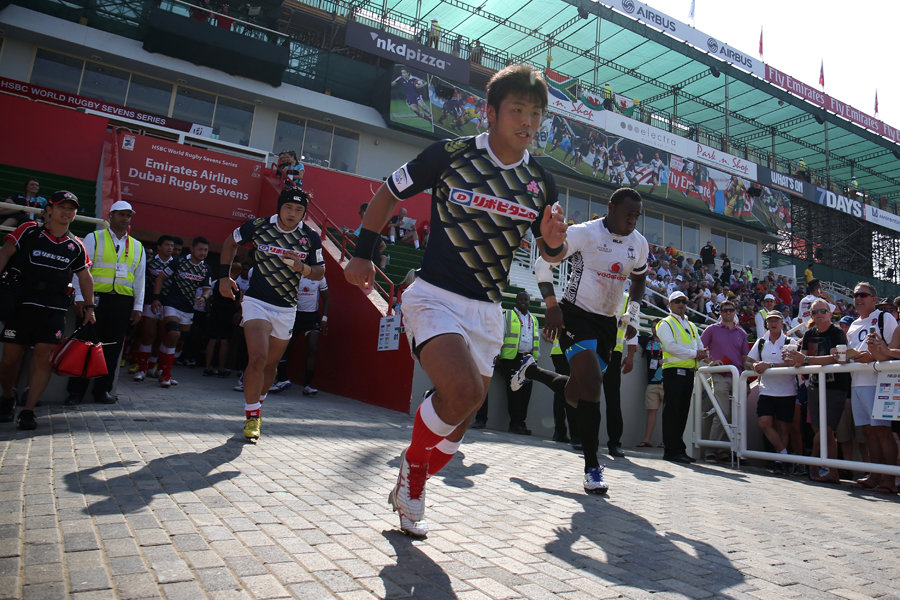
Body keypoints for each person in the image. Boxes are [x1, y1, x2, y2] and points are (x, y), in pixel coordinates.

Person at [345, 65, 566, 538]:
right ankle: (413, 473)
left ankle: (415, 471)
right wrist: (362, 255)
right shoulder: (449, 154)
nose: (528, 121)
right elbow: (387, 193)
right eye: (518, 110)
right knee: (464, 394)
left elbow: (549, 253)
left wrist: (550, 242)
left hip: (489, 312)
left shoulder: (541, 183)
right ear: (491, 113)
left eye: (536, 114)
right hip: (434, 297)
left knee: (459, 421)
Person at [536, 187, 649, 493]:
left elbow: (638, 280)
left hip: (607, 323)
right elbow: (543, 263)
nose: (632, 220)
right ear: (610, 207)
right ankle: (591, 467)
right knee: (594, 386)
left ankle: (532, 372)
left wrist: (633, 318)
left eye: (637, 215)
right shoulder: (584, 234)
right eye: (628, 213)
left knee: (577, 391)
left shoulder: (639, 244)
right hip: (576, 315)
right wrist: (552, 306)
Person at [219, 188, 325, 441]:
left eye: (299, 210)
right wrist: (225, 276)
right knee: (257, 357)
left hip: (287, 308)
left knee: (270, 366)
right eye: (288, 207)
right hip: (257, 302)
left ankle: (258, 404)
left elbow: (320, 272)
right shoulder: (257, 226)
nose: (293, 214)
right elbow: (230, 242)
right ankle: (252, 416)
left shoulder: (310, 237)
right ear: (280, 207)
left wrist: (303, 268)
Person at [0, 191, 95, 430]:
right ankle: (8, 398)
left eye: (71, 208)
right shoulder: (29, 230)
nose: (66, 212)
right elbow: (5, 253)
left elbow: (85, 276)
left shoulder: (76, 245)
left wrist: (90, 306)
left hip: (53, 306)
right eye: (61, 207)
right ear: (49, 209)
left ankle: (29, 410)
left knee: (43, 357)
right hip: (21, 303)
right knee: (10, 359)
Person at [66, 200, 146, 405]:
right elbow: (81, 270)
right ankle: (76, 392)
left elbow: (140, 279)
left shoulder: (137, 246)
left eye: (128, 215)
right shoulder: (94, 238)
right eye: (121, 214)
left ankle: (103, 390)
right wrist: (79, 297)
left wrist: (137, 307)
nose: (125, 218)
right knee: (85, 345)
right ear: (110, 216)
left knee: (112, 349)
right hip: (95, 300)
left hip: (121, 302)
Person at [842, 282, 898, 494]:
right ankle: (875, 474)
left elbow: (894, 349)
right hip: (857, 381)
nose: (858, 299)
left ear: (874, 299)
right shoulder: (854, 324)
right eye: (855, 295)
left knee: (883, 431)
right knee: (868, 432)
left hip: (879, 381)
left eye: (863, 295)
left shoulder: (885, 318)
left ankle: (889, 479)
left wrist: (875, 354)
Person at [784, 299, 848, 483]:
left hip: (835, 386)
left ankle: (824, 468)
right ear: (810, 315)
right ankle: (825, 468)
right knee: (818, 429)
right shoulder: (810, 333)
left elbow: (836, 357)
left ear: (829, 313)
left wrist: (804, 360)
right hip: (814, 385)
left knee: (827, 429)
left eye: (822, 311)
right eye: (815, 312)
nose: (819, 314)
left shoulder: (837, 332)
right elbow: (802, 357)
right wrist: (792, 358)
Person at [150, 237, 212, 388]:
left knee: (179, 342)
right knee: (173, 334)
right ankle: (165, 374)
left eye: (205, 250)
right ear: (192, 249)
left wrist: (204, 297)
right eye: (200, 249)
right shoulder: (179, 262)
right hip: (172, 304)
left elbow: (207, 288)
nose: (203, 253)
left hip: (189, 309)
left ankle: (165, 370)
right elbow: (160, 277)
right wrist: (156, 298)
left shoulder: (206, 268)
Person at [658, 290, 709, 463]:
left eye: (684, 301)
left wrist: (704, 356)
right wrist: (695, 354)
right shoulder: (665, 323)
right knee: (673, 411)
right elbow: (670, 347)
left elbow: (700, 347)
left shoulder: (692, 325)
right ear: (670, 304)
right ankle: (671, 450)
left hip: (688, 372)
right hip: (673, 371)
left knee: (681, 412)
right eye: (677, 301)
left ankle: (678, 449)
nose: (681, 304)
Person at [480, 291, 539, 435]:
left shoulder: (534, 319)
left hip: (529, 359)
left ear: (529, 301)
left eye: (526, 299)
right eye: (520, 299)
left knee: (526, 393)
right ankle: (514, 424)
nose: (523, 301)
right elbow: (500, 335)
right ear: (516, 301)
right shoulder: (508, 316)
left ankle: (521, 423)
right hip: (512, 358)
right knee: (514, 392)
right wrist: (499, 357)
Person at [745, 311, 797, 474]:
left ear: (782, 323)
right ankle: (784, 454)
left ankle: (780, 461)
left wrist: (770, 366)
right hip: (766, 391)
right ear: (766, 324)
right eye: (770, 321)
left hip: (787, 391)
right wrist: (754, 366)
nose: (773, 323)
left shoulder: (790, 341)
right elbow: (748, 360)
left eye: (776, 320)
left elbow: (794, 363)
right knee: (764, 423)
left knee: (783, 428)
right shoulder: (761, 342)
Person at [699, 299, 747, 462]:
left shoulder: (741, 333)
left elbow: (745, 358)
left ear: (735, 312)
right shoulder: (711, 329)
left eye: (731, 310)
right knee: (722, 412)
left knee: (736, 415)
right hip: (719, 376)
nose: (728, 312)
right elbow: (699, 349)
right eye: (725, 310)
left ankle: (725, 450)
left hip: (738, 376)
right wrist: (710, 363)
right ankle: (711, 450)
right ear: (720, 312)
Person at [271, 273, 329, 395]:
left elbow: (327, 298)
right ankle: (281, 379)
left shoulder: (319, 277)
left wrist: (324, 319)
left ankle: (308, 385)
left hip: (312, 317)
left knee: (313, 348)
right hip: (295, 316)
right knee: (285, 347)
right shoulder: (295, 274)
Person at [133, 235, 177, 381]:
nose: (170, 248)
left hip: (168, 305)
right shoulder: (150, 263)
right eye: (167, 245)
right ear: (159, 247)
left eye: (172, 246)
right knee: (147, 335)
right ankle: (142, 369)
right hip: (150, 302)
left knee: (162, 336)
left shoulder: (176, 264)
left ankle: (154, 367)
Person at [203, 262, 243, 378]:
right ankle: (221, 368)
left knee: (212, 339)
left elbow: (210, 297)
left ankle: (207, 367)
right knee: (224, 340)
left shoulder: (217, 282)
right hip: (227, 315)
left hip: (215, 313)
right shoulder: (235, 286)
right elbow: (237, 304)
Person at [636, 320, 664, 448]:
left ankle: (666, 441)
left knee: (668, 412)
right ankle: (647, 439)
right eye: (653, 327)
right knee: (651, 411)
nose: (655, 329)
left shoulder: (670, 342)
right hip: (652, 382)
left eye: (657, 327)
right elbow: (631, 336)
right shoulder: (646, 340)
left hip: (666, 382)